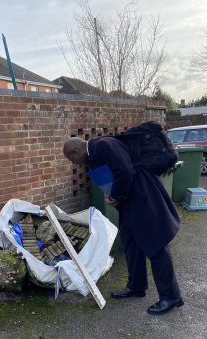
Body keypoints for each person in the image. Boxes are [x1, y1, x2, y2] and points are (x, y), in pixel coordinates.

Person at [63, 135, 183, 315]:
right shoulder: (94, 155)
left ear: (76, 151)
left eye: (73, 159)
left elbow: (125, 170)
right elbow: (113, 176)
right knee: (130, 241)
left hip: (143, 197)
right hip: (130, 201)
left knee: (155, 245)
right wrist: (110, 194)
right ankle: (136, 285)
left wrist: (117, 195)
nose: (75, 163)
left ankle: (170, 296)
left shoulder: (103, 145)